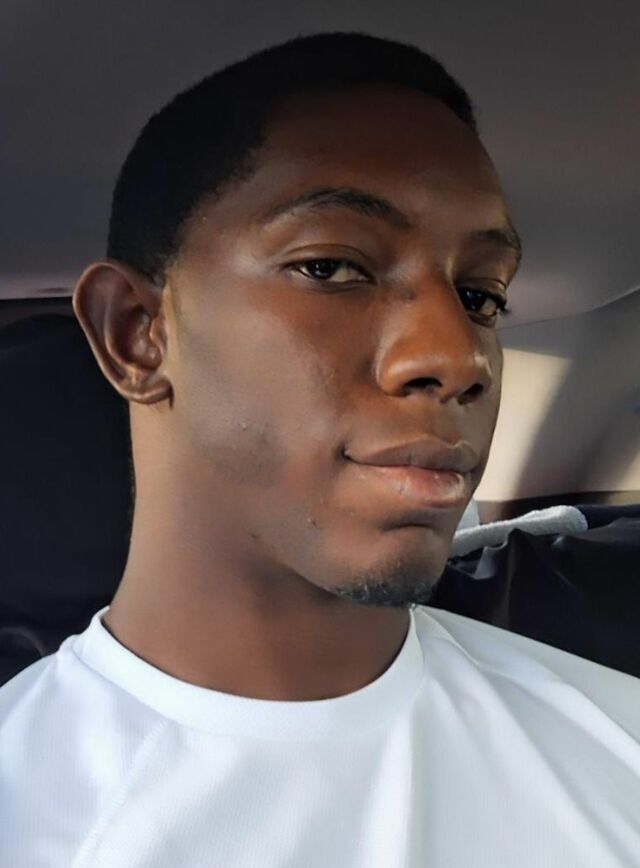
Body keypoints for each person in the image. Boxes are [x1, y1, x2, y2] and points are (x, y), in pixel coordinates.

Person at [1, 31, 639, 868]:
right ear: (138, 336)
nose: (460, 357)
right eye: (331, 267)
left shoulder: (617, 738)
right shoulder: (27, 810)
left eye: (480, 296)